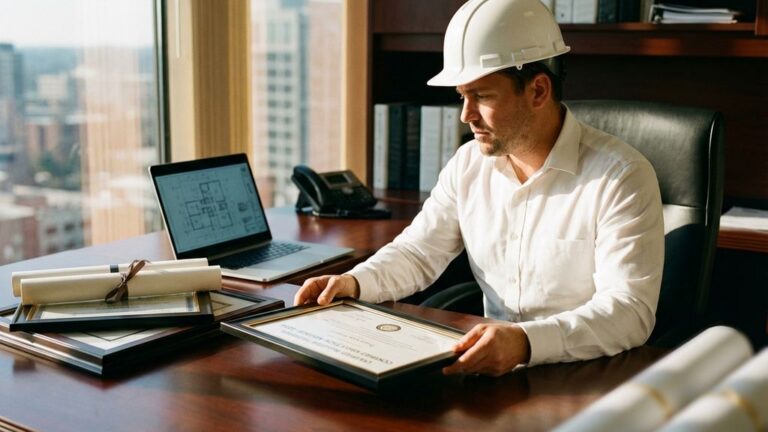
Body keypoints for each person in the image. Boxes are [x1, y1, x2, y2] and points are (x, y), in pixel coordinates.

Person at [295, 0, 664, 376]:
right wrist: (354, 282)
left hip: (588, 375)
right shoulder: (469, 164)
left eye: (482, 96)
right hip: (493, 370)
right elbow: (419, 252)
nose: (465, 115)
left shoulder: (622, 176)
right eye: (462, 96)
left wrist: (524, 341)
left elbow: (628, 311)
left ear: (538, 90)